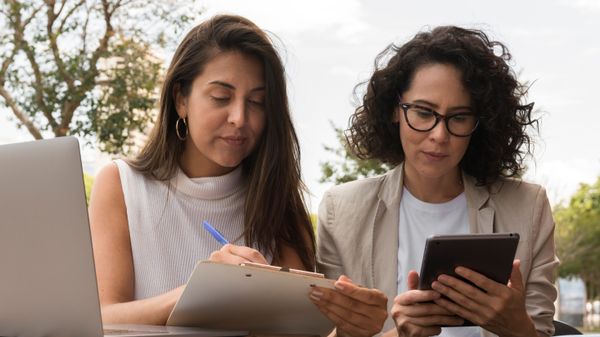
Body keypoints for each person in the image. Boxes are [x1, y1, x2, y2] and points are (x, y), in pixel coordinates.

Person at [89, 14, 386, 336]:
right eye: (221, 97)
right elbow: (102, 318)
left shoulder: (279, 198)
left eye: (257, 102)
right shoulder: (122, 183)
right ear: (180, 99)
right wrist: (201, 290)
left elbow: (304, 333)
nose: (239, 118)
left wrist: (351, 328)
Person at [315, 26, 559, 337]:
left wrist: (517, 328)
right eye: (423, 112)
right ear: (394, 109)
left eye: (458, 117)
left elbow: (540, 330)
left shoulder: (529, 207)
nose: (439, 135)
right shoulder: (342, 211)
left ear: (479, 124)